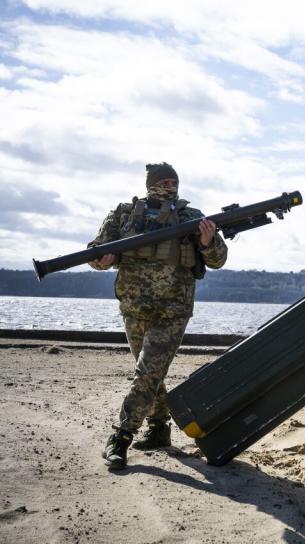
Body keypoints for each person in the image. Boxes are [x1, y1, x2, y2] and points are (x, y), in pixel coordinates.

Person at [89, 163, 228, 469]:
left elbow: (218, 259)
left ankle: (121, 436)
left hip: (173, 309)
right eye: (163, 181)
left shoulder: (192, 218)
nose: (169, 185)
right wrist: (102, 258)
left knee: (147, 372)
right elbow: (96, 256)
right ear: (149, 184)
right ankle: (158, 429)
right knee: (150, 371)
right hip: (134, 305)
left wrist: (207, 242)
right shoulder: (123, 215)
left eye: (173, 181)